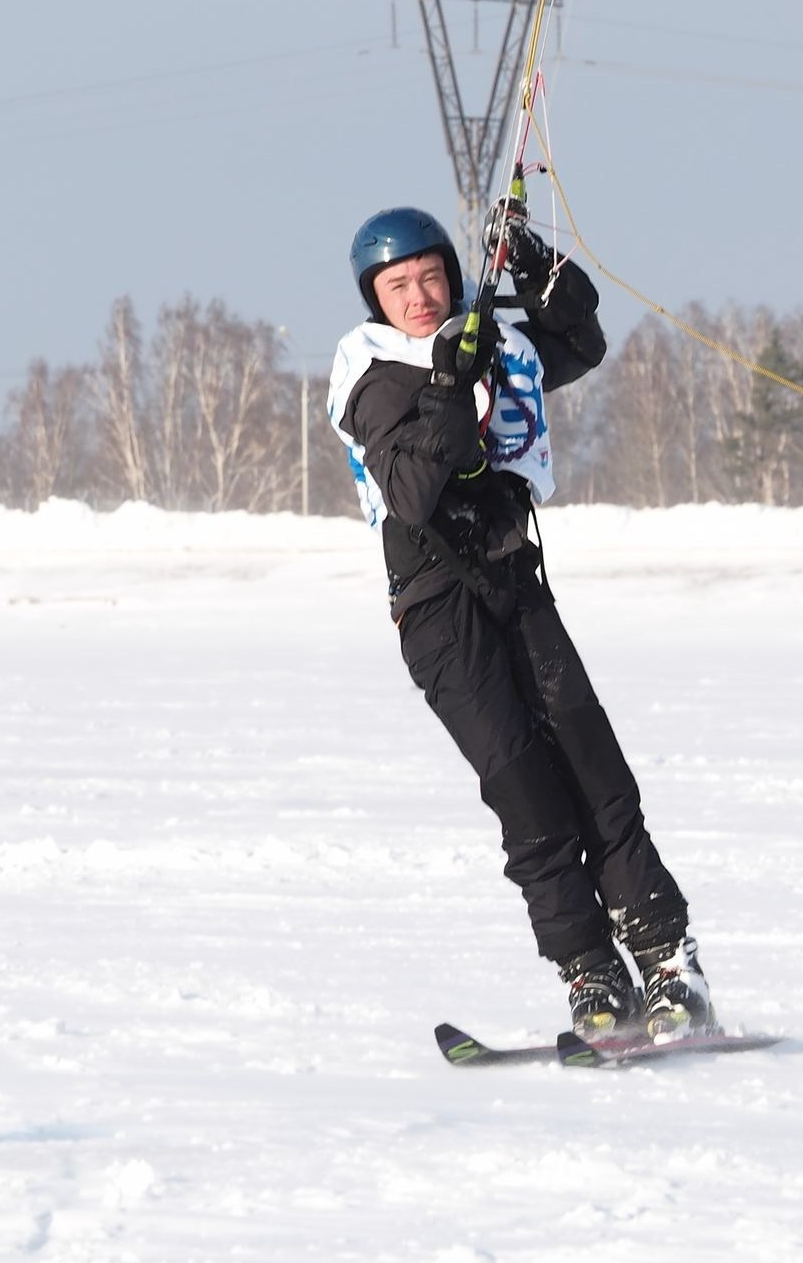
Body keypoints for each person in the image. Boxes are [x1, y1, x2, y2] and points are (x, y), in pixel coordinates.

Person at [328, 203, 714, 1037]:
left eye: (432, 276)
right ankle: (591, 973)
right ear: (375, 297)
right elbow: (411, 492)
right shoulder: (373, 371)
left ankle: (671, 963)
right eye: (399, 285)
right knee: (526, 791)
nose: (420, 295)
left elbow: (579, 340)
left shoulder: (483, 340)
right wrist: (445, 383)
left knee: (594, 771)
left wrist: (539, 271)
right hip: (437, 611)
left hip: (515, 581)